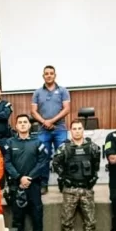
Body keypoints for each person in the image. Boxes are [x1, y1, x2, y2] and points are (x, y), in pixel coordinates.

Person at [52, 119, 100, 231]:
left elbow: (96, 164)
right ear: (70, 131)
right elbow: (55, 163)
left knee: (90, 220)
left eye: (79, 128)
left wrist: (92, 178)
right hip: (70, 189)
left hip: (86, 189)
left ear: (83, 130)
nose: (77, 131)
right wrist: (64, 177)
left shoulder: (92, 147)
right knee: (67, 220)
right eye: (74, 129)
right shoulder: (64, 147)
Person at [4, 114, 48, 231]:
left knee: (37, 218)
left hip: (33, 186)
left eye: (25, 122)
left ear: (29, 125)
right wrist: (19, 178)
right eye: (20, 122)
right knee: (17, 219)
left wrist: (29, 177)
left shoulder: (38, 142)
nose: (22, 124)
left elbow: (43, 162)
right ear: (16, 126)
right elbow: (7, 163)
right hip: (17, 186)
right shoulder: (10, 143)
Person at [31, 65, 71, 194]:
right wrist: (45, 122)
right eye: (46, 73)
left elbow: (67, 109)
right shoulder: (37, 92)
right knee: (43, 157)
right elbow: (33, 111)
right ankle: (44, 184)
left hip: (60, 129)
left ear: (55, 75)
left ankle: (63, 182)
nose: (49, 75)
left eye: (51, 73)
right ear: (43, 76)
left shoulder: (63, 91)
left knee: (63, 156)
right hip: (43, 130)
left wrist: (51, 121)